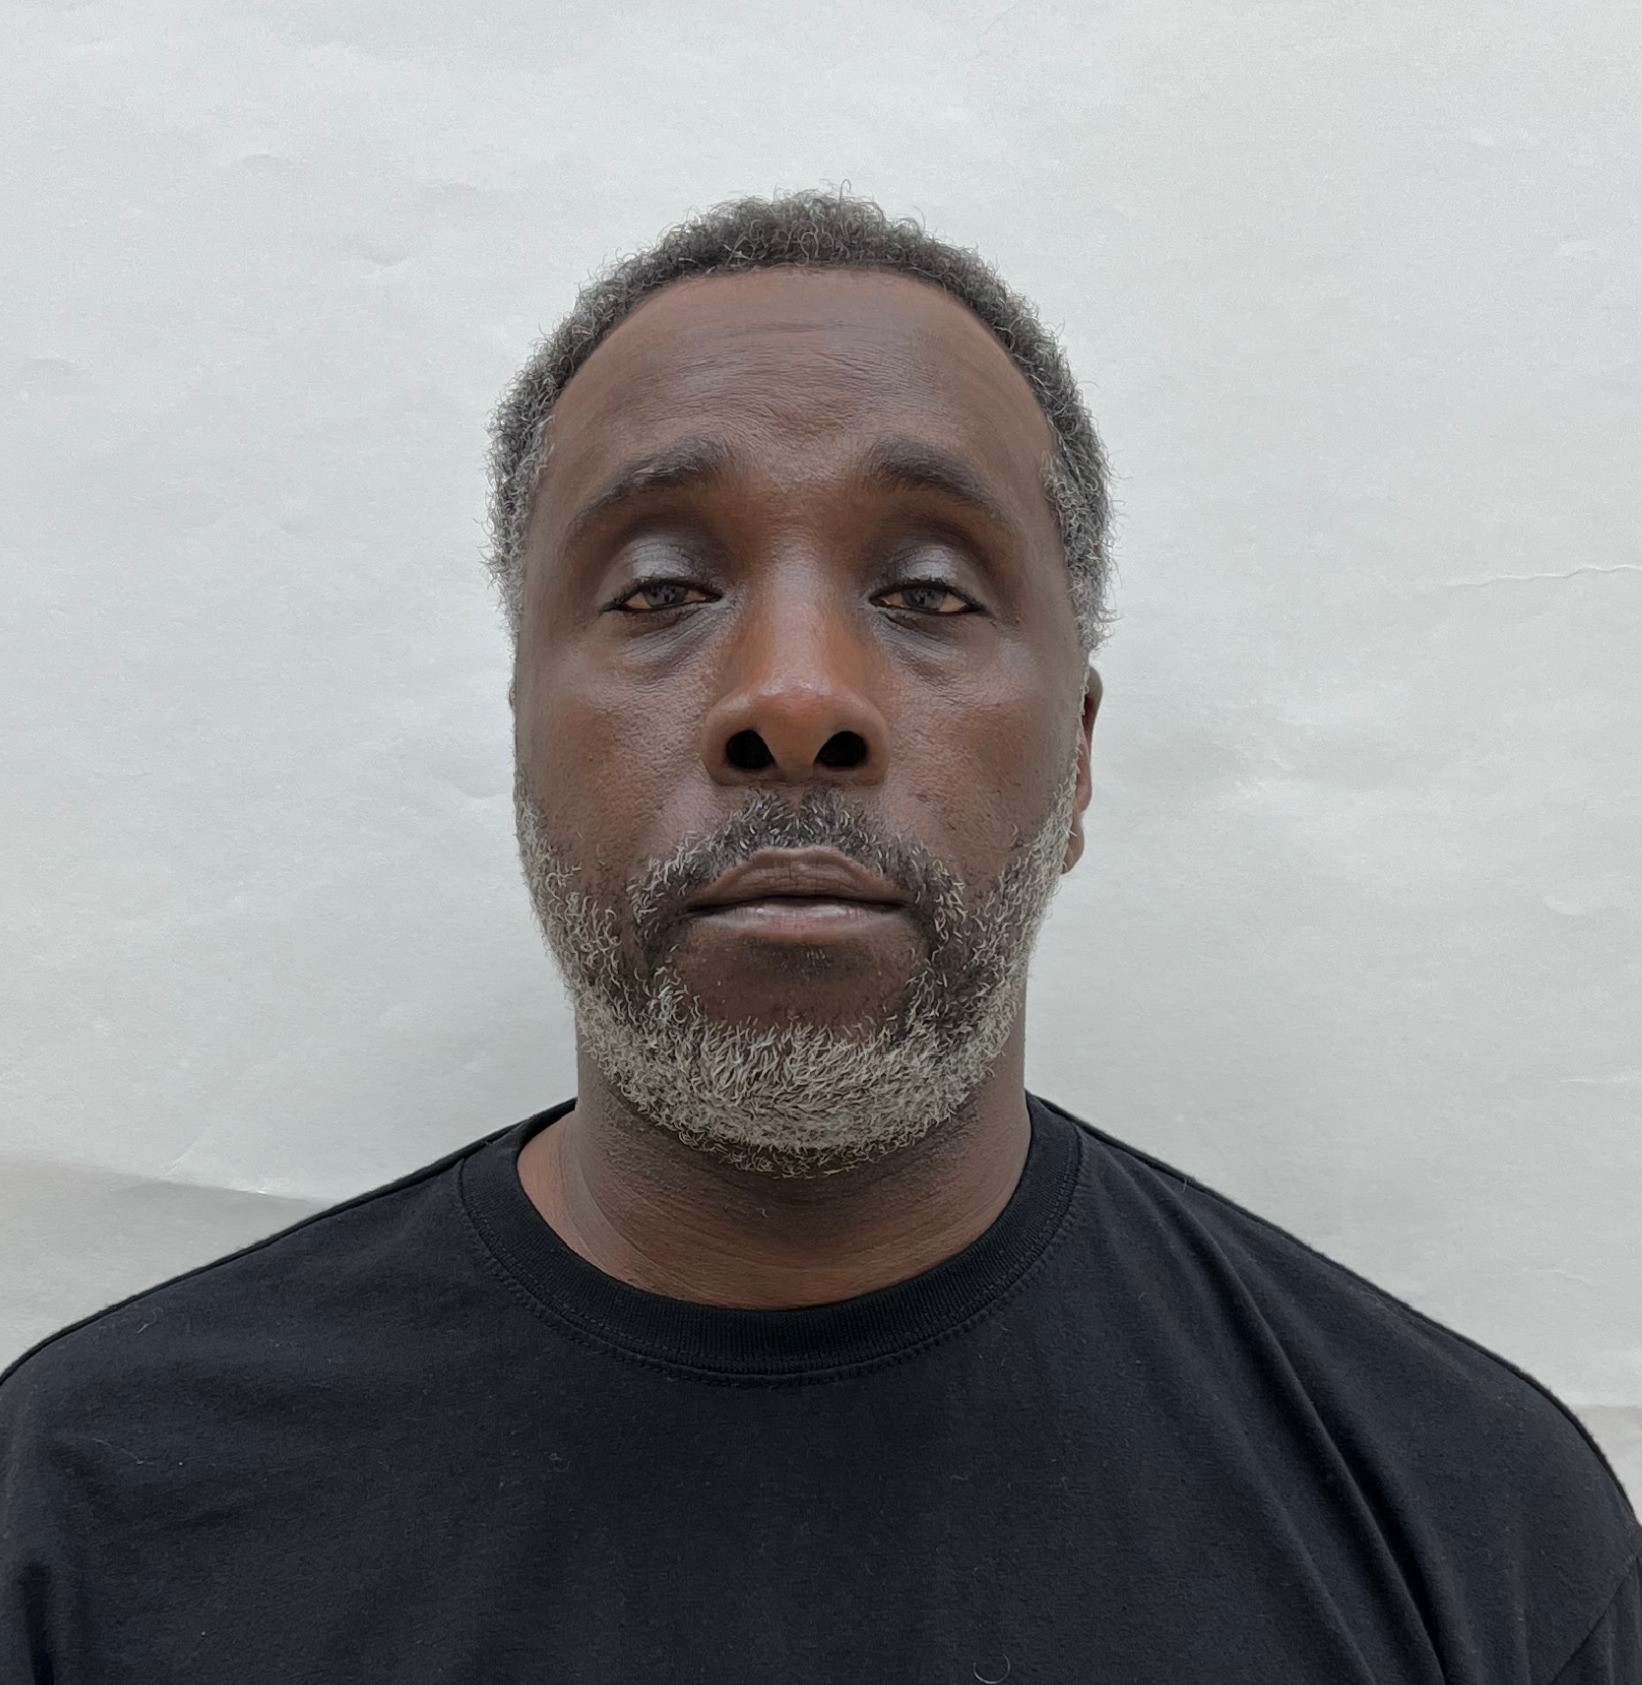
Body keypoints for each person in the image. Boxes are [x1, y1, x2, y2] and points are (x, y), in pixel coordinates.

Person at [2, 190, 1636, 1684]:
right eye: (658, 588)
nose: (794, 698)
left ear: (1075, 759)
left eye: (927, 589)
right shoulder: (83, 1516)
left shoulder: (1476, 1534)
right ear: (522, 743)